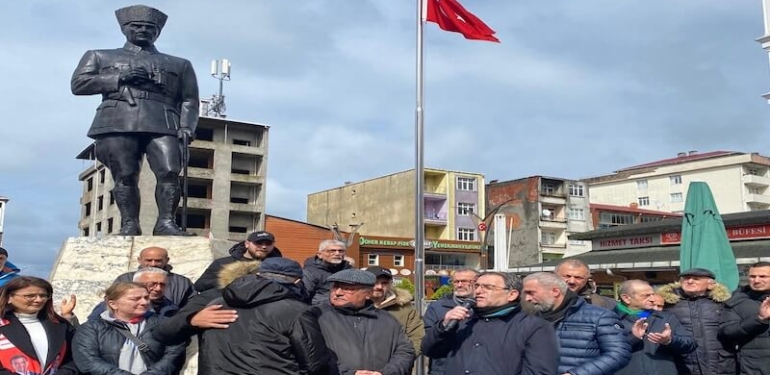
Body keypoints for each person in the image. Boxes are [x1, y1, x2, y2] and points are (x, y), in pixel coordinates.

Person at [71, 5, 199, 236]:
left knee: (170, 171)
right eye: (137, 26)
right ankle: (129, 223)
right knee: (125, 174)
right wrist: (120, 77)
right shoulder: (100, 56)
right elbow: (79, 84)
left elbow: (189, 99)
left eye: (150, 27)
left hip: (164, 121)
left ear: (158, 32)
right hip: (118, 118)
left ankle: (166, 222)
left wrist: (187, 127)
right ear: (124, 29)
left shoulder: (179, 64)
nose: (143, 30)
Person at [173, 258, 331, 375]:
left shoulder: (217, 302)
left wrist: (190, 321)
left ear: (259, 274)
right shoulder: (296, 310)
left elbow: (166, 333)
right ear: (297, 282)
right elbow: (314, 362)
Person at [422, 272, 559, 375]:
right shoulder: (464, 320)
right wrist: (443, 327)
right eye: (477, 286)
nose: (479, 291)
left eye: (488, 287)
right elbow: (431, 351)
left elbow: (539, 371)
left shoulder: (534, 327)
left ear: (512, 294)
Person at [522, 272, 630, 375]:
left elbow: (618, 354)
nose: (527, 298)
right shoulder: (530, 318)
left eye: (531, 293)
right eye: (525, 293)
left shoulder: (600, 317)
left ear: (555, 291)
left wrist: (575, 374)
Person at [313, 269, 415, 375]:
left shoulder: (387, 320)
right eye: (335, 287)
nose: (338, 293)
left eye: (347, 289)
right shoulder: (317, 316)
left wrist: (386, 373)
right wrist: (348, 373)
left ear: (368, 294)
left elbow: (405, 350)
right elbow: (311, 354)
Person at [72, 282, 186, 375]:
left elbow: (174, 354)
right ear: (113, 304)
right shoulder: (91, 328)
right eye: (135, 299)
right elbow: (87, 360)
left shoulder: (164, 324)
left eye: (146, 297)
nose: (144, 302)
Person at [657, 268, 734, 375]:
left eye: (696, 279)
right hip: (683, 364)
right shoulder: (666, 302)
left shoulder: (723, 302)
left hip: (721, 364)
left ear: (710, 284)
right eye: (686, 278)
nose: (690, 281)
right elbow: (644, 314)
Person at [614, 280, 696, 375]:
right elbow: (599, 351)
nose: (653, 299)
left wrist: (669, 340)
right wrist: (632, 338)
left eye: (652, 294)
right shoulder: (609, 319)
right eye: (646, 296)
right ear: (626, 298)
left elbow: (691, 344)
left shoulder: (666, 318)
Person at [0, 277, 78, 375]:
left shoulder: (61, 325)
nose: (38, 300)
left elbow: (74, 357)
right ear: (9, 298)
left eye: (43, 295)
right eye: (30, 296)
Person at [422, 269, 478, 375]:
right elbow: (428, 344)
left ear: (477, 283)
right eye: (456, 282)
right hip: (444, 370)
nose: (459, 285)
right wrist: (444, 325)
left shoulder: (486, 307)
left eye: (465, 281)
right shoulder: (437, 307)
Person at [719, 261, 770, 375]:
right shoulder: (737, 301)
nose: (756, 280)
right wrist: (759, 319)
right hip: (754, 367)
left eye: (763, 276)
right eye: (752, 276)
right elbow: (727, 332)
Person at [194, 230, 282, 292]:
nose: (264, 247)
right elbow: (199, 285)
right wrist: (228, 280)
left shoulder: (279, 266)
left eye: (268, 244)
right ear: (247, 244)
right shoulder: (222, 263)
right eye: (258, 243)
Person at [366, 266, 424, 355]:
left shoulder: (405, 308)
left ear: (390, 284)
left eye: (384, 283)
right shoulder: (352, 305)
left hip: (396, 366)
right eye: (375, 282)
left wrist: (401, 363)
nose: (379, 287)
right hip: (357, 367)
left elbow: (417, 338)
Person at [114, 246, 195, 308]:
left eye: (158, 261)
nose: (153, 264)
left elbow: (191, 307)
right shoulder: (124, 279)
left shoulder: (182, 282)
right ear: (139, 260)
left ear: (167, 260)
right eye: (149, 260)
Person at [89, 267, 178, 320]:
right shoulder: (110, 307)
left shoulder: (171, 309)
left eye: (163, 285)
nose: (158, 289)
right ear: (136, 284)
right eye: (152, 284)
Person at [303, 240, 352, 305]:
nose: (337, 254)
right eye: (332, 251)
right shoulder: (310, 272)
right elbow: (304, 296)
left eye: (341, 251)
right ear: (319, 254)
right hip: (320, 310)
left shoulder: (349, 271)